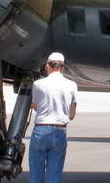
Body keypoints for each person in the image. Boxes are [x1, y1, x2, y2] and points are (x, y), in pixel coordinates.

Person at [28, 52, 78, 183]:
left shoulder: (37, 84)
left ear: (47, 66)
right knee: (54, 176)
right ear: (62, 68)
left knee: (35, 175)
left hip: (40, 130)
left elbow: (35, 107)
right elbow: (72, 115)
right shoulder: (72, 85)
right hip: (60, 131)